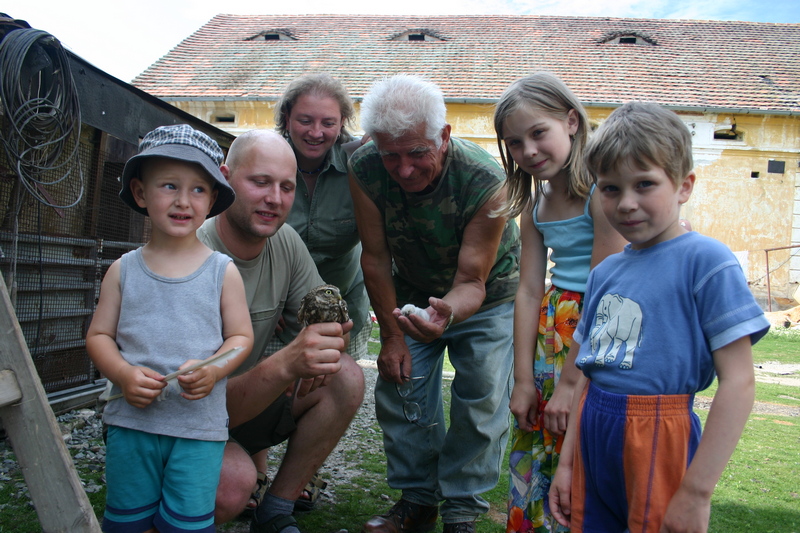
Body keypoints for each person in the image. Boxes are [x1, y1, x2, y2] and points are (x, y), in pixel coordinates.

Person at [548, 102, 770, 532]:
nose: (626, 203)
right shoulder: (605, 273)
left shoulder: (706, 261)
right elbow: (585, 376)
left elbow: (739, 382)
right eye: (610, 188)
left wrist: (696, 492)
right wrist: (566, 464)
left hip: (659, 435)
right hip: (594, 432)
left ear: (684, 186)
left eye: (644, 184)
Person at [349, 74, 521, 533]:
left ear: (443, 137)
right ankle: (418, 501)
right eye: (391, 155)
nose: (403, 169)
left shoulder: (486, 180)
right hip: (408, 291)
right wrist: (391, 337)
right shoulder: (364, 167)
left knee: (481, 394)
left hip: (487, 297)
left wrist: (445, 312)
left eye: (417, 153)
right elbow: (375, 256)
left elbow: (472, 280)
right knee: (400, 384)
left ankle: (462, 513)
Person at [86, 124, 254, 533]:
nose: (183, 201)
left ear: (213, 199)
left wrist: (214, 368)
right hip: (131, 424)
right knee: (128, 523)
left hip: (198, 429)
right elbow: (98, 337)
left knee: (187, 524)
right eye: (168, 186)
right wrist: (124, 374)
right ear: (141, 193)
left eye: (198, 189)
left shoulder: (222, 272)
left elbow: (241, 338)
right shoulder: (122, 270)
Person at [196, 129, 365, 533]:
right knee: (230, 486)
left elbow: (331, 322)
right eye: (260, 182)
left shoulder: (285, 242)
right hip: (177, 419)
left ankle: (276, 510)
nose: (275, 198)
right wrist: (289, 362)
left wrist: (325, 341)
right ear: (224, 178)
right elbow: (195, 400)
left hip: (240, 406)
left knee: (345, 375)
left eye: (286, 187)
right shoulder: (194, 253)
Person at [493, 73, 627, 533]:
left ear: (571, 122)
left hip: (595, 333)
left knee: (579, 438)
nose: (527, 151)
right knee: (537, 432)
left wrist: (570, 383)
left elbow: (604, 292)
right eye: (514, 142)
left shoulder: (602, 196)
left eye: (537, 133)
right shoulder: (534, 206)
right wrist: (523, 380)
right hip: (552, 331)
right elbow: (528, 291)